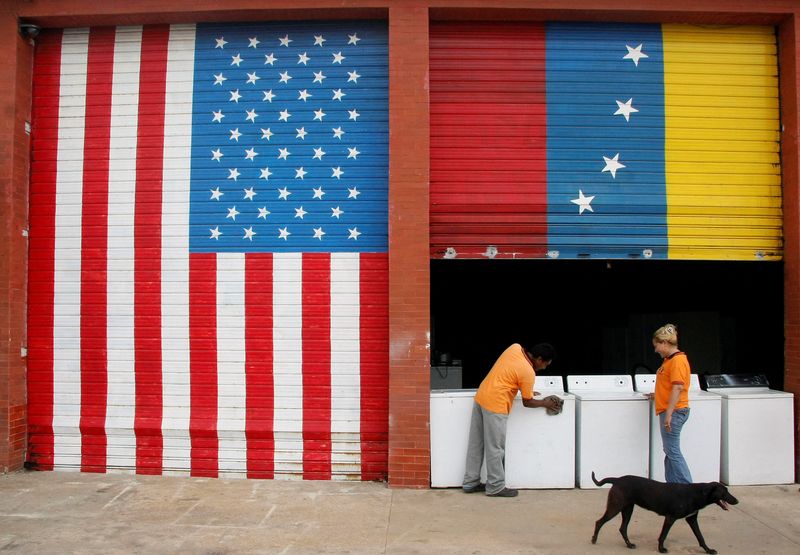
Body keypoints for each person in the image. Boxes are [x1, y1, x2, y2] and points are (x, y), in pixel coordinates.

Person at [462, 343, 559, 497]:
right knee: (495, 448)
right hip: (496, 405)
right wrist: (544, 403)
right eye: (546, 363)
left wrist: (524, 387)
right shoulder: (528, 372)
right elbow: (528, 402)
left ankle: (470, 482)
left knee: (476, 444)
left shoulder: (514, 348)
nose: (545, 367)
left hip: (481, 397)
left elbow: (509, 373)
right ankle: (495, 487)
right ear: (539, 359)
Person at [649, 323, 693, 484]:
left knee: (672, 451)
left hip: (674, 411)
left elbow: (678, 386)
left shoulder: (678, 361)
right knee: (669, 450)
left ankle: (687, 488)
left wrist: (668, 414)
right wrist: (657, 394)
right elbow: (670, 385)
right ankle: (673, 487)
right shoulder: (670, 360)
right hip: (671, 410)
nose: (656, 350)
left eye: (657, 346)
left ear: (665, 343)